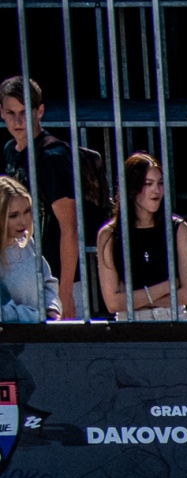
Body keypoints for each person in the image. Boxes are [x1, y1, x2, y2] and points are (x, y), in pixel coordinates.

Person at [0, 77, 92, 321]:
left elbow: (70, 228)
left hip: (57, 282)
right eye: (10, 113)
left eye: (24, 112)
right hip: (22, 274)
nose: (18, 121)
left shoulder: (52, 157)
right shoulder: (10, 150)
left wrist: (65, 293)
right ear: (1, 112)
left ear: (39, 111)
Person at [94, 153, 187, 321]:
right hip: (131, 322)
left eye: (160, 183)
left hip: (173, 317)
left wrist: (132, 299)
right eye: (148, 184)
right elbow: (113, 303)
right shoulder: (109, 235)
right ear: (131, 189)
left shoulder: (178, 228)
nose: (156, 190)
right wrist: (167, 286)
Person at [0, 177, 58, 323]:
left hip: (37, 334)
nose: (24, 221)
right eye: (13, 215)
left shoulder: (27, 242)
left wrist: (51, 308)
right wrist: (35, 317)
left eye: (27, 211)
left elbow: (47, 281)